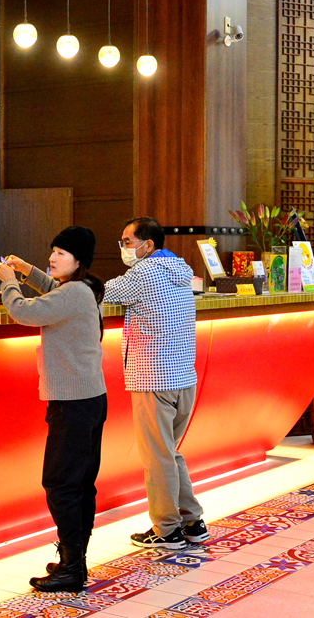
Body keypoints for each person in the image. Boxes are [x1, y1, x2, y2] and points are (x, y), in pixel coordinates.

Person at [0, 226, 108, 593]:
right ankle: (75, 560)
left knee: (60, 485)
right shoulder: (84, 288)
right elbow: (52, 292)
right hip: (89, 399)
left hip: (73, 403)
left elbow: (23, 311)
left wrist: (9, 281)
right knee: (79, 485)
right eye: (53, 251)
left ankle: (72, 567)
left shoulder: (73, 293)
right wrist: (27, 270)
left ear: (78, 261)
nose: (52, 258)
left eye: (61, 253)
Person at [103, 216, 207, 550]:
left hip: (153, 378)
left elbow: (97, 293)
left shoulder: (144, 273)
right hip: (183, 377)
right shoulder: (180, 269)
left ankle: (167, 529)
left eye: (127, 241)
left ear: (148, 245)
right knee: (168, 453)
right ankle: (192, 521)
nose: (123, 248)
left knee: (157, 458)